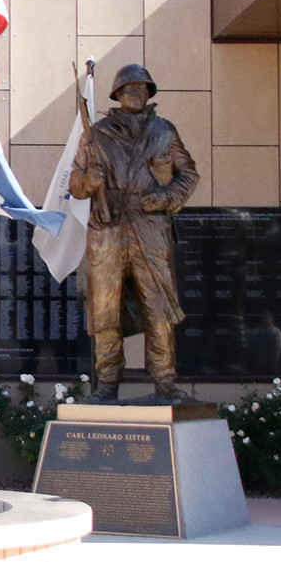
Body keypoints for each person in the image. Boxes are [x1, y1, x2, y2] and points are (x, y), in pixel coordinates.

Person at [67, 64, 200, 403]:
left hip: (150, 228)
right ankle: (108, 383)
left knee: (159, 308)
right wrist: (89, 182)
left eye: (143, 88)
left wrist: (167, 198)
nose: (137, 94)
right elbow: (76, 185)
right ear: (117, 95)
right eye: (130, 89)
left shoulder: (164, 132)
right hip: (107, 233)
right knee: (105, 309)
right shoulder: (96, 135)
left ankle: (165, 381)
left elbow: (189, 174)